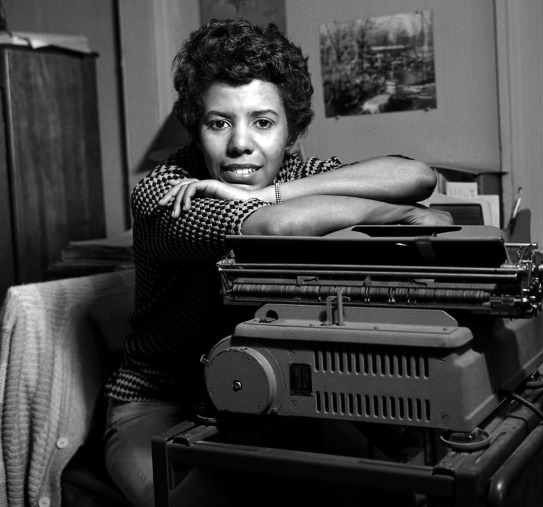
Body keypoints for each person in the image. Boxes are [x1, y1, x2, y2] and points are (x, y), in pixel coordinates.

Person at [103, 18, 452, 507]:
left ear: (292, 132)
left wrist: (275, 191)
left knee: (398, 492)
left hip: (270, 398)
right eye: (218, 122)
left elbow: (416, 175)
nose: (240, 144)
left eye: (263, 122)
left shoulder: (292, 174)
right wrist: (396, 215)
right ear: (196, 127)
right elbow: (275, 228)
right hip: (160, 405)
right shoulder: (167, 192)